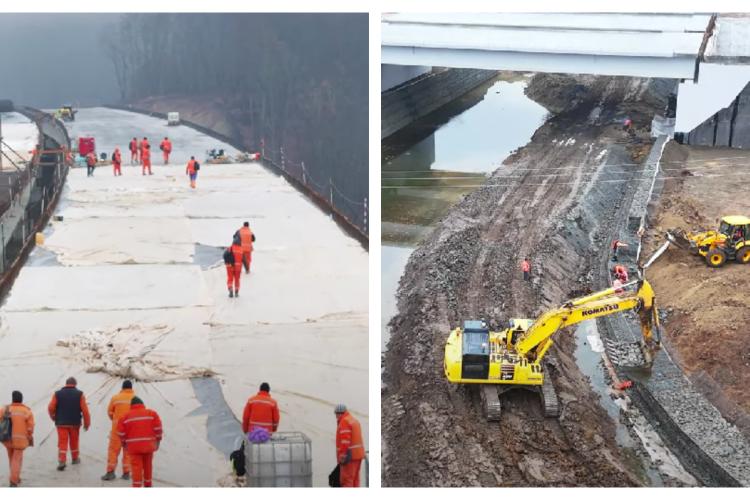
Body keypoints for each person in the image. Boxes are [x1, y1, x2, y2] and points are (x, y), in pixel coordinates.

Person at [116, 396, 162, 488]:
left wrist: (124, 442)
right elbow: (158, 429)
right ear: (142, 404)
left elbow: (120, 432)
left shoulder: (125, 416)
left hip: (133, 448)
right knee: (148, 466)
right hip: (149, 446)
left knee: (136, 468)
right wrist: (158, 440)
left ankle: (136, 486)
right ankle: (148, 484)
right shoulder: (152, 413)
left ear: (131, 406)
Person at [48, 377, 90, 471]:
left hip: (61, 423)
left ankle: (62, 461)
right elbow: (85, 411)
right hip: (75, 423)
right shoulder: (80, 394)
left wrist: (53, 417)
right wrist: (87, 424)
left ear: (66, 384)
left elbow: (51, 407)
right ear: (75, 384)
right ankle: (75, 459)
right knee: (74, 441)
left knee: (62, 442)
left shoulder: (57, 394)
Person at [101, 380, 135, 481]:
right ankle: (126, 473)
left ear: (122, 388)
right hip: (130, 431)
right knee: (128, 451)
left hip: (117, 430)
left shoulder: (115, 398)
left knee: (113, 450)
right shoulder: (136, 399)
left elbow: (110, 412)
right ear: (131, 388)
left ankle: (110, 472)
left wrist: (114, 420)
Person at [1, 391, 34, 487]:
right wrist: (29, 435)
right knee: (17, 459)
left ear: (12, 399)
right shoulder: (26, 411)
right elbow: (30, 427)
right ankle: (14, 480)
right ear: (21, 399)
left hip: (7, 438)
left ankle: (15, 477)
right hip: (20, 440)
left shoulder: (5, 409)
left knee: (12, 458)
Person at [334, 404, 364, 488]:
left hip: (349, 457)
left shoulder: (344, 422)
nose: (336, 417)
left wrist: (342, 455)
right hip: (358, 455)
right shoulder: (354, 420)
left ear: (339, 413)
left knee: (347, 481)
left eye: (336, 414)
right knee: (355, 480)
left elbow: (345, 441)